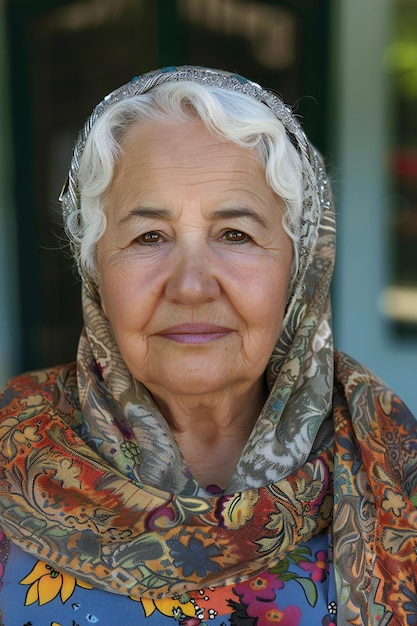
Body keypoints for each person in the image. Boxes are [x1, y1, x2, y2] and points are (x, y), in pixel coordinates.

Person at [0, 66, 416, 626]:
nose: (192, 285)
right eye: (149, 237)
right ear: (95, 266)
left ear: (299, 271)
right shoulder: (11, 449)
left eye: (235, 234)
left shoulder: (392, 465)